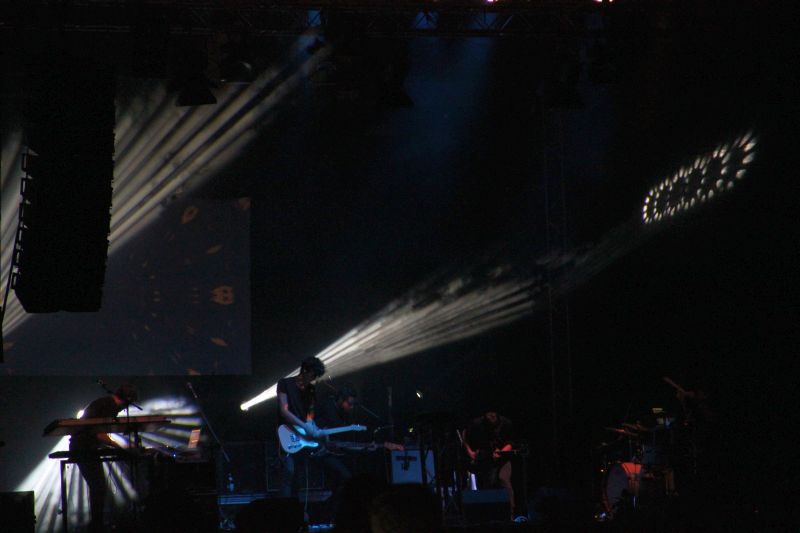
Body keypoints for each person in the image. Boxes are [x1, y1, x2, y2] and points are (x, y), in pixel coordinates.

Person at [70, 383, 138, 533]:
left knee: (98, 487)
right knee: (98, 487)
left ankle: (97, 524)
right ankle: (96, 526)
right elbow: (99, 434)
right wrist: (120, 447)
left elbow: (98, 433)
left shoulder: (105, 403)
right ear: (125, 400)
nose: (123, 410)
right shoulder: (108, 406)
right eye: (126, 405)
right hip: (83, 448)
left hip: (87, 448)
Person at [276, 356, 326, 498]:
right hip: (286, 432)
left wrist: (313, 427)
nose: (314, 379)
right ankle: (285, 507)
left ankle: (296, 507)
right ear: (305, 370)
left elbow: (310, 415)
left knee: (299, 475)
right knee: (288, 471)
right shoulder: (285, 383)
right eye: (313, 375)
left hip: (303, 436)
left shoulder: (311, 390)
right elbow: (284, 411)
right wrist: (304, 425)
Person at [463, 411, 515, 518]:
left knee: (503, 479)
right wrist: (470, 452)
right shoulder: (477, 423)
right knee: (487, 485)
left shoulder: (506, 423)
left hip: (503, 459)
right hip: (485, 459)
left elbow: (511, 442)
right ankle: (489, 515)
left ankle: (511, 513)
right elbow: (465, 436)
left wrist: (501, 452)